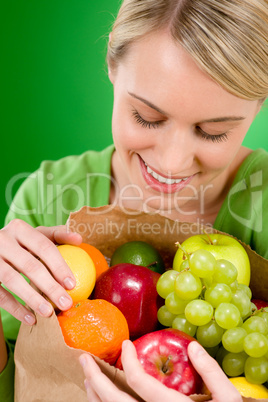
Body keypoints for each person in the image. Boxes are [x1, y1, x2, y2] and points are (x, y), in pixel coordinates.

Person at [0, 0, 267, 400]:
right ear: (111, 64)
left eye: (212, 132)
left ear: (259, 106)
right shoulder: (46, 193)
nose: (171, 162)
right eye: (146, 117)